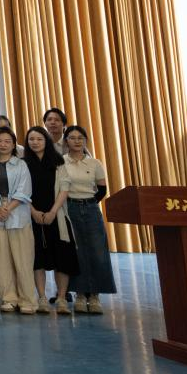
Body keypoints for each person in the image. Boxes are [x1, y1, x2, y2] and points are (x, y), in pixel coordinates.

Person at [24, 125, 78, 314]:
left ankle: (61, 298)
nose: (35, 142)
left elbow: (64, 188)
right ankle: (41, 298)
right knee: (37, 259)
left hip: (57, 216)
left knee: (61, 258)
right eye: (31, 139)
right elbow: (20, 191)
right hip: (32, 217)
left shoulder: (58, 161)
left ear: (46, 141)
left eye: (39, 139)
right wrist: (33, 211)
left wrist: (53, 212)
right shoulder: (23, 163)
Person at [62, 125, 116, 314]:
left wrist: (89, 202)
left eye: (80, 138)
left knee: (97, 251)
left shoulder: (95, 163)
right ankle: (79, 294)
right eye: (72, 138)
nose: (77, 141)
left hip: (91, 208)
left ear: (85, 141)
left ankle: (94, 296)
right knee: (76, 252)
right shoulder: (62, 162)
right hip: (70, 208)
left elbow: (102, 189)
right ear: (66, 141)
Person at [0, 127, 36, 315]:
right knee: (2, 259)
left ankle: (27, 300)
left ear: (14, 144)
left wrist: (7, 208)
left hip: (18, 212)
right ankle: (8, 298)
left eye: (7, 141)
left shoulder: (21, 164)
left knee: (22, 259)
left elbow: (25, 190)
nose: (3, 144)